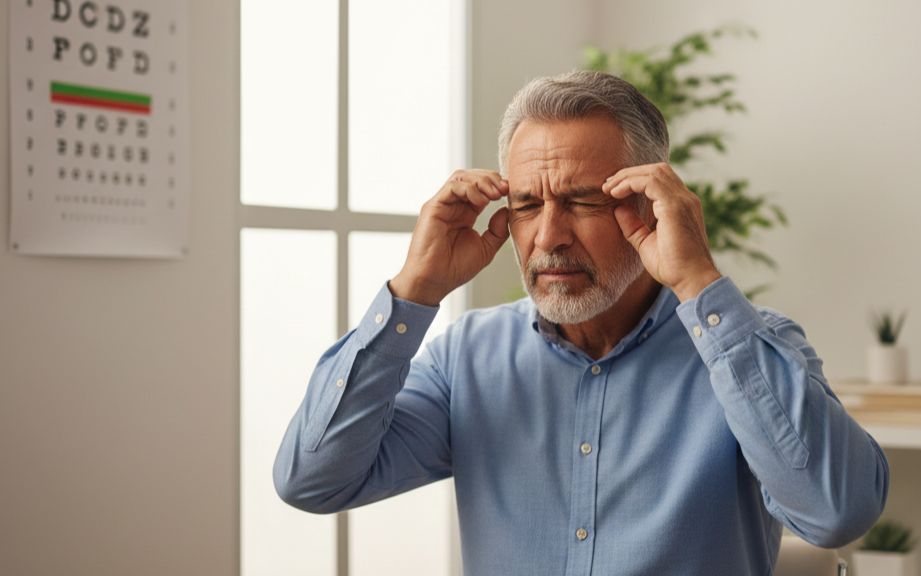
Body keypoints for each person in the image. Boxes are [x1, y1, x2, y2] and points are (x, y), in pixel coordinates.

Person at [274, 70, 889, 575]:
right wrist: (414, 291)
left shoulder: (749, 345)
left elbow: (837, 512)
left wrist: (699, 282)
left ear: (649, 204)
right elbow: (311, 481)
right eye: (527, 205)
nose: (548, 237)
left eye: (581, 202)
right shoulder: (466, 357)